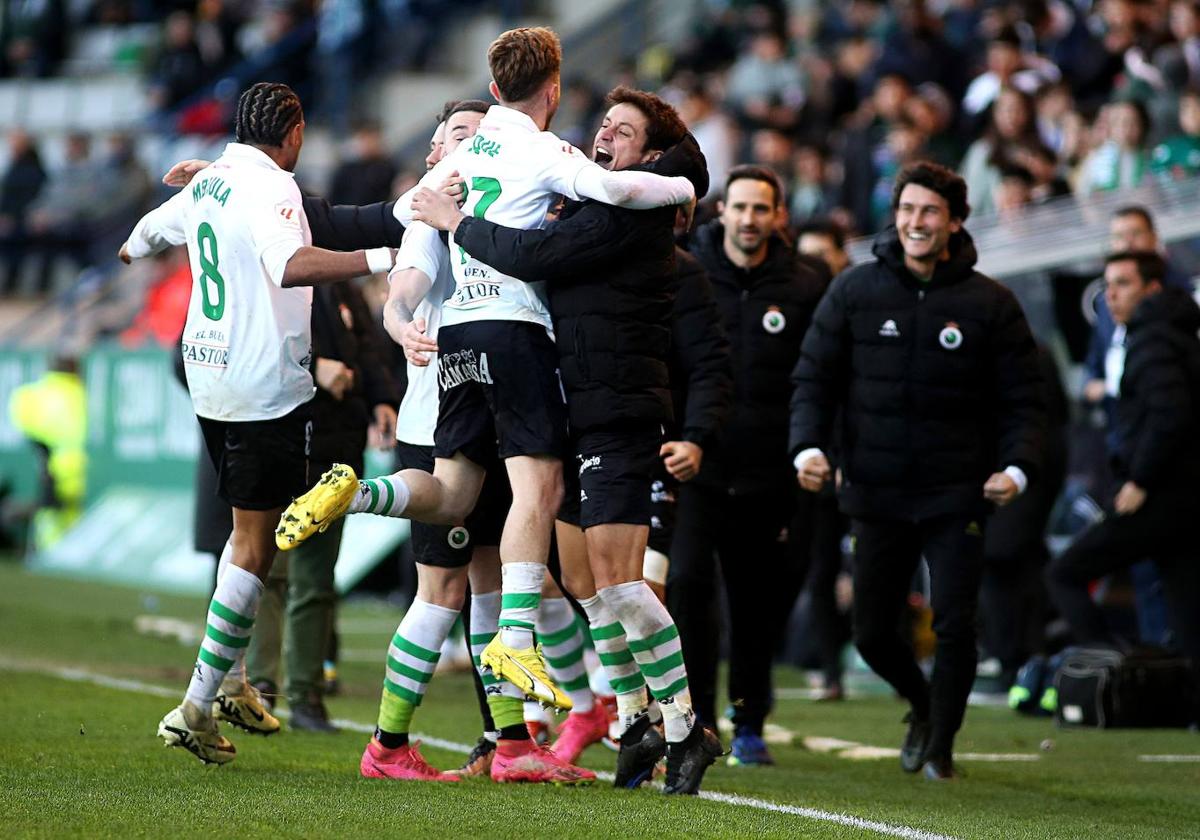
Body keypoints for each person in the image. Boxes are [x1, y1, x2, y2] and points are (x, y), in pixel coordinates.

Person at [278, 27, 695, 784]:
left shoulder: (454, 167)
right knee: (540, 489)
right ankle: (514, 640)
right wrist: (683, 187)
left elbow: (409, 271)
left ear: (493, 88)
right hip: (515, 332)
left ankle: (364, 494)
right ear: (554, 89)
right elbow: (618, 190)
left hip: (454, 344)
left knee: (458, 491)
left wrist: (402, 321)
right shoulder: (548, 151)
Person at [414, 86, 725, 794]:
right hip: (574, 409)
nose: (604, 136)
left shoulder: (626, 215)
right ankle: (639, 721)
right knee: (586, 584)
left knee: (620, 581)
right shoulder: (587, 201)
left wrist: (457, 220)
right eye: (604, 125)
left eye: (623, 131)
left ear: (647, 156)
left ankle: (682, 726)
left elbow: (533, 254)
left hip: (617, 414)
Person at [120, 81, 397, 765]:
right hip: (260, 386)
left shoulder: (212, 183)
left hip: (210, 377)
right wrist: (381, 260)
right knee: (254, 544)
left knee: (253, 536)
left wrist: (131, 250)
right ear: (293, 131)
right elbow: (291, 263)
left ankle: (235, 681)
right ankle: (195, 704)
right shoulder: (271, 187)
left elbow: (145, 233)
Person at [791, 161, 1044, 780]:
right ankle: (922, 705)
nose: (915, 222)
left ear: (954, 221)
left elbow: (1024, 401)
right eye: (907, 210)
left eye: (929, 212)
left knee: (956, 623)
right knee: (873, 633)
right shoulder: (853, 290)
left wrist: (1017, 467)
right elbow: (814, 378)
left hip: (958, 493)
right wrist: (808, 448)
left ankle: (942, 746)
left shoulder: (992, 303)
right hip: (874, 491)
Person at [671, 165, 828, 766]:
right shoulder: (687, 271)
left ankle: (750, 719)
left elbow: (816, 380)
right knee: (686, 584)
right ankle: (698, 718)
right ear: (722, 212)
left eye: (761, 209)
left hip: (769, 472)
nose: (749, 219)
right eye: (739, 207)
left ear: (777, 216)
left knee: (755, 601)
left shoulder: (806, 285)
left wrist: (810, 448)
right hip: (697, 465)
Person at [1045, 251, 1200, 722]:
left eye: (1123, 284)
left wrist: (1139, 479)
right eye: (1107, 284)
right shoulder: (1176, 336)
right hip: (1185, 497)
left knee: (1066, 572)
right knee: (1186, 606)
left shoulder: (1152, 340)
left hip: (1156, 496)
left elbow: (1169, 416)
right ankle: (1188, 704)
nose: (1110, 295)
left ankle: (1111, 671)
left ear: (1151, 289)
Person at [7, 355, 86, 551]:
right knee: (71, 519)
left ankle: (45, 551)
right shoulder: (82, 394)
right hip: (79, 470)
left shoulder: (27, 395)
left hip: (45, 465)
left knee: (48, 519)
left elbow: (22, 425)